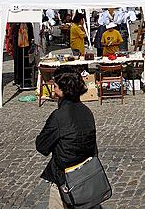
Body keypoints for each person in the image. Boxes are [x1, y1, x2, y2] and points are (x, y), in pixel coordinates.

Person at [36, 67, 98, 209]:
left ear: (63, 90)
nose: (54, 89)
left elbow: (41, 146)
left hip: (65, 177)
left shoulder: (59, 116)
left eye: (56, 86)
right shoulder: (86, 111)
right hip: (85, 173)